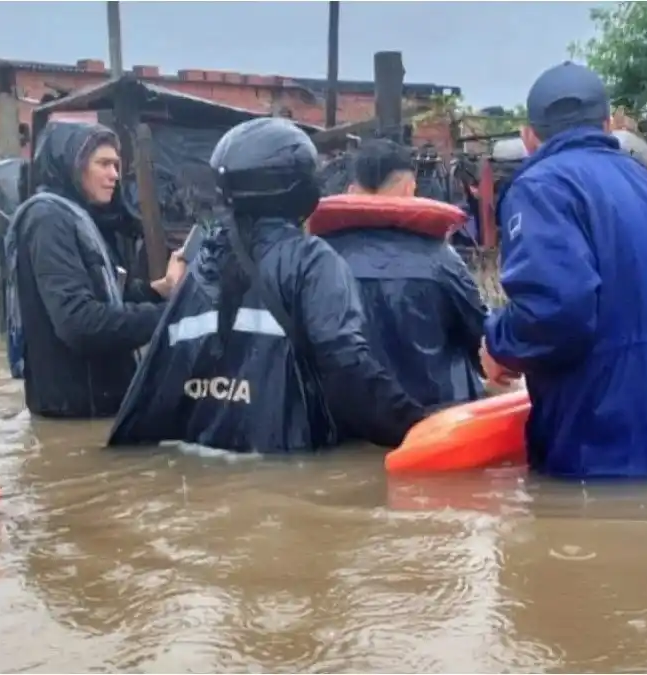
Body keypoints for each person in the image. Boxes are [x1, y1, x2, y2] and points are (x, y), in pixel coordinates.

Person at [479, 62, 647, 479]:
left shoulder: (540, 186)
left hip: (607, 446)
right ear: (608, 123)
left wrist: (498, 343)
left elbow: (555, 311)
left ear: (528, 137)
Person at [108, 118, 426, 452]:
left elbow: (150, 391)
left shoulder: (201, 265)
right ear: (299, 188)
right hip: (289, 466)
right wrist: (417, 426)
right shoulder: (311, 260)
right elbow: (346, 366)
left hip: (201, 476)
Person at [5, 121, 185, 419]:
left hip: (99, 409)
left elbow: (110, 293)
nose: (114, 175)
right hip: (77, 415)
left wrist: (160, 290)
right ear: (73, 166)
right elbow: (78, 323)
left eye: (116, 165)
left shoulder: (81, 219)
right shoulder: (49, 221)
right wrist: (172, 315)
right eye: (103, 164)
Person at [316, 138, 488, 408]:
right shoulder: (442, 261)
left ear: (350, 190)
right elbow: (484, 338)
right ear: (411, 190)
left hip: (348, 419)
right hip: (432, 421)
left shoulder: (314, 261)